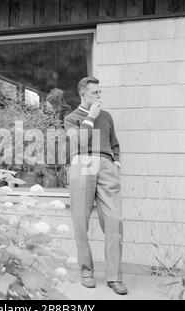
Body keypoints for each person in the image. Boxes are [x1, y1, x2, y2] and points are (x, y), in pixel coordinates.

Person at [64, 76, 128, 295]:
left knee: (114, 220)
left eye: (100, 92)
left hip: (106, 165)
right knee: (81, 221)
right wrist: (90, 118)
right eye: (95, 93)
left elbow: (114, 142)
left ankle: (115, 277)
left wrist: (115, 161)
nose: (100, 96)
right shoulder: (71, 118)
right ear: (83, 95)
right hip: (83, 162)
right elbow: (79, 142)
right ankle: (86, 272)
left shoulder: (107, 116)